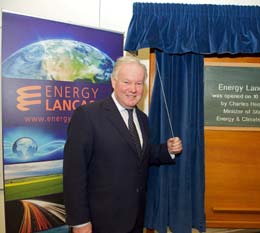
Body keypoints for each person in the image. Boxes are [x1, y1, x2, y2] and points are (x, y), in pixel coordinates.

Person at [63, 55, 183, 233]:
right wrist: (80, 222)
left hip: (135, 220)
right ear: (113, 81)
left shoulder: (142, 119)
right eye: (127, 82)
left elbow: (139, 154)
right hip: (100, 223)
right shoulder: (87, 116)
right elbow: (74, 174)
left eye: (139, 83)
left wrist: (167, 150)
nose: (133, 89)